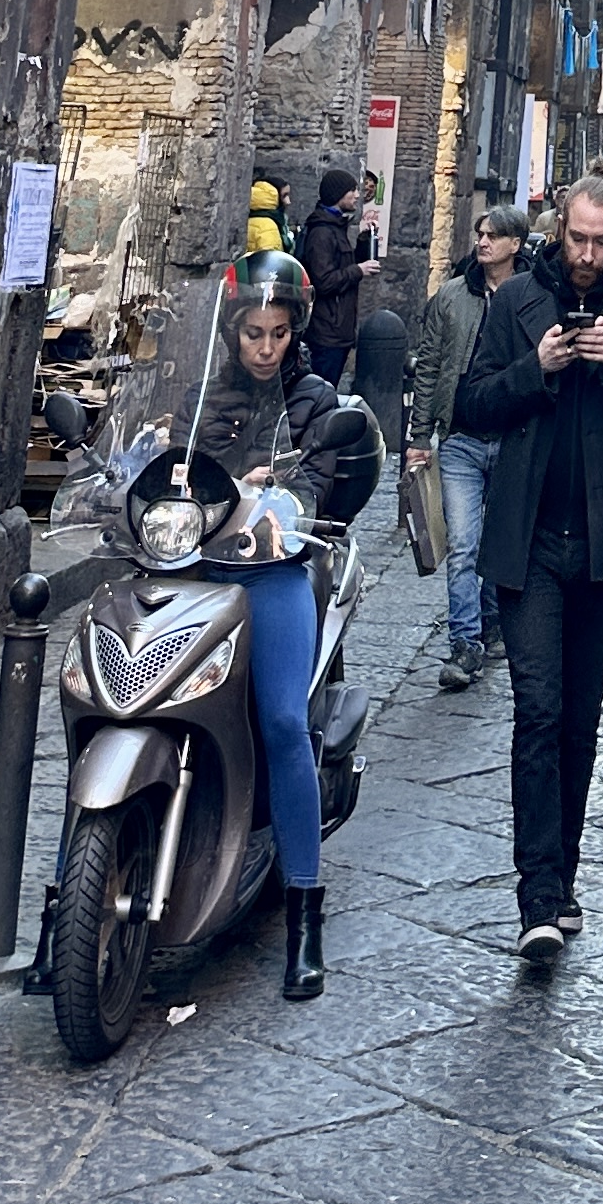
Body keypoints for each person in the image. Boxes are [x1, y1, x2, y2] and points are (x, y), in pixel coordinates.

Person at [456, 169, 603, 967]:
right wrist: (537, 368)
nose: (588, 255)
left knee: (580, 721)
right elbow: (472, 404)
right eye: (578, 239)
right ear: (559, 228)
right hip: (529, 540)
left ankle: (564, 876)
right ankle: (536, 897)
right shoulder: (517, 301)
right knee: (538, 712)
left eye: (602, 241)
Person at [194, 249, 383, 1001]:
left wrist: (282, 494)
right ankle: (62, 918)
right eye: (254, 334)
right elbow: (163, 459)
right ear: (231, 330)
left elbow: (316, 484)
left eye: (278, 334)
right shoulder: (202, 392)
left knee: (281, 721)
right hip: (193, 566)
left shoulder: (312, 398)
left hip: (272, 571)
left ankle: (306, 915)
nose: (266, 348)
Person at [412, 203, 528, 689]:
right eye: (480, 233)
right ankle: (466, 644)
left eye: (493, 235)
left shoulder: (532, 296)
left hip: (512, 436)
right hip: (460, 436)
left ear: (515, 245)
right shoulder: (452, 296)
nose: (482, 242)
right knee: (462, 544)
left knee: (498, 542)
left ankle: (491, 619)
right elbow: (430, 366)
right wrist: (419, 436)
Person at [297, 164, 367, 383]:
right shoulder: (322, 232)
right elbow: (324, 281)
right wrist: (358, 270)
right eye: (352, 190)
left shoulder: (335, 227)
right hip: (326, 331)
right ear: (338, 195)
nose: (357, 195)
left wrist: (364, 242)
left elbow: (342, 264)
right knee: (321, 388)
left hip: (337, 329)